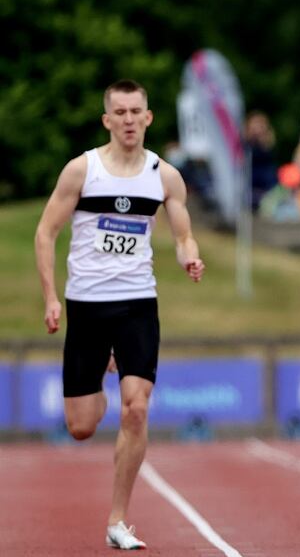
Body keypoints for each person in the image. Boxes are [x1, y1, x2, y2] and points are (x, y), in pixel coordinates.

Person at [34, 79, 204, 550]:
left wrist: (189, 255)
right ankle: (103, 371)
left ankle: (117, 520)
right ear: (107, 120)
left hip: (137, 303)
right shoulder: (81, 171)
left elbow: (183, 233)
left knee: (138, 408)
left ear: (148, 118)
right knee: (82, 426)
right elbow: (45, 233)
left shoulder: (164, 176)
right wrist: (51, 297)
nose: (129, 120)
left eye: (137, 112)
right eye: (120, 113)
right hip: (87, 306)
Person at [244, 111, 278, 210]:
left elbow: (267, 149)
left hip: (265, 179)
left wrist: (260, 137)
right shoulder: (245, 140)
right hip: (249, 176)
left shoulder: (267, 140)